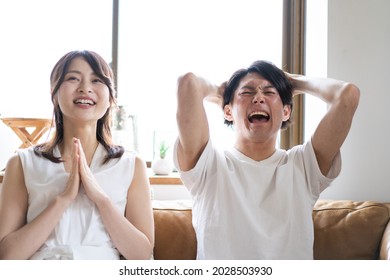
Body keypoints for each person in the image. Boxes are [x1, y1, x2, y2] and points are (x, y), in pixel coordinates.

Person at [174, 60, 360, 259]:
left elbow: (347, 95)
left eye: (270, 92)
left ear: (286, 111)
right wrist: (219, 92)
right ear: (228, 111)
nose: (258, 98)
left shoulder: (304, 166)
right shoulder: (208, 165)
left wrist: (294, 83)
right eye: (247, 92)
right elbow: (188, 84)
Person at [0, 50, 154, 260]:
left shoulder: (131, 164)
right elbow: (7, 257)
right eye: (73, 78)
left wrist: (101, 199)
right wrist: (63, 200)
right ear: (54, 95)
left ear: (110, 98)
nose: (85, 88)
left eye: (97, 80)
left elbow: (143, 256)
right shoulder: (21, 163)